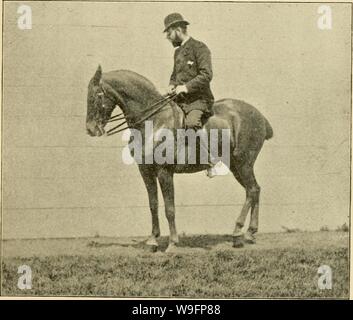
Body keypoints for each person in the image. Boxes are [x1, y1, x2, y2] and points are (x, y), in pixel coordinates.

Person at [164, 13, 222, 177]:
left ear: (178, 29)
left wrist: (186, 88)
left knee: (191, 123)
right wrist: (172, 86)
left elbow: (206, 75)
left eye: (169, 33)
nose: (168, 37)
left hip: (199, 100)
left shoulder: (199, 48)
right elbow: (175, 76)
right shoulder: (178, 52)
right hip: (181, 101)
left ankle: (210, 160)